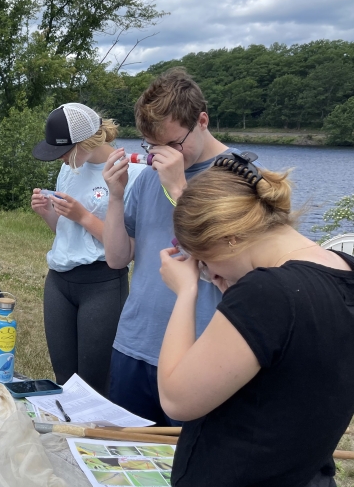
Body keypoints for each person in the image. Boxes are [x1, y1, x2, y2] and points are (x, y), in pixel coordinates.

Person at [157, 151, 354, 486]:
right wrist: (235, 298)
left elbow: (176, 399)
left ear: (228, 237)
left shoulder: (267, 293)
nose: (209, 272)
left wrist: (186, 293)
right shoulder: (343, 267)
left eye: (204, 261)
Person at [102, 67, 230, 426]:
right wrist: (115, 195)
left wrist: (179, 189)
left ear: (202, 120)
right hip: (135, 344)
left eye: (174, 144)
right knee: (126, 465)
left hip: (200, 354)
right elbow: (116, 258)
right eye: (154, 146)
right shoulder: (147, 178)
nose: (164, 155)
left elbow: (231, 260)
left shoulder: (239, 176)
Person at [30, 103, 142, 394]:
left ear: (87, 142)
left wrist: (83, 215)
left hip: (101, 283)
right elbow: (65, 232)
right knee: (64, 381)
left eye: (65, 151)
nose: (62, 159)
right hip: (59, 280)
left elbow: (126, 249)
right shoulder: (69, 169)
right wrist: (47, 213)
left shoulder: (128, 173)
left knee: (94, 385)